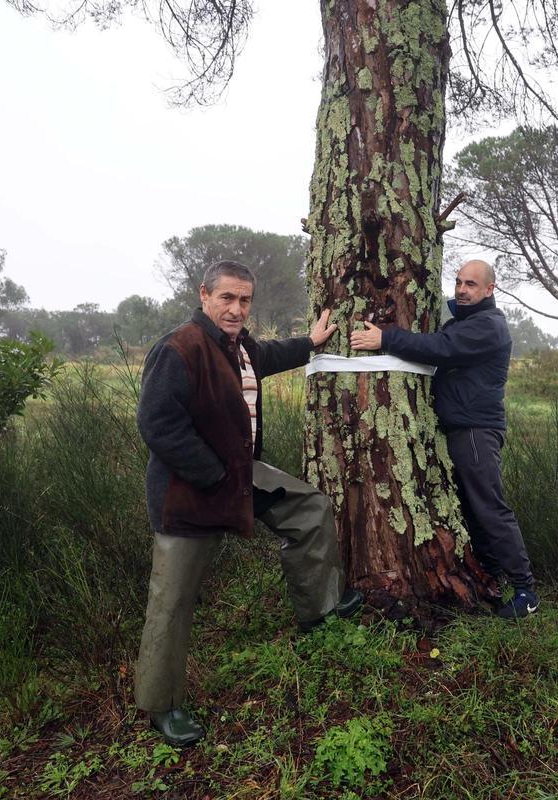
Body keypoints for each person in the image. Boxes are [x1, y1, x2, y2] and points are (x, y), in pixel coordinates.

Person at [134, 259, 362, 747]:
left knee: (309, 509)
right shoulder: (179, 349)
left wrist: (311, 344)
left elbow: (271, 355)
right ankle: (162, 705)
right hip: (188, 495)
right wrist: (214, 474)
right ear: (204, 295)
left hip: (239, 478)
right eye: (227, 299)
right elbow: (159, 426)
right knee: (171, 602)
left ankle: (318, 611)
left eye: (244, 301)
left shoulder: (239, 347)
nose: (236, 309)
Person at [350, 259, 538, 620]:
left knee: (489, 507)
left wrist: (386, 337)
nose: (462, 290)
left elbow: (442, 347)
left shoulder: (487, 325)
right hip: (462, 428)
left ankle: (525, 590)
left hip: (474, 431)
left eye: (471, 284)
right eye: (459, 282)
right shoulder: (467, 321)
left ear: (489, 290)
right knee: (470, 506)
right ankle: (493, 574)